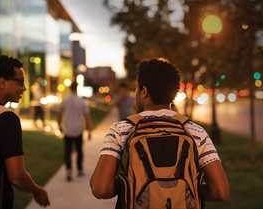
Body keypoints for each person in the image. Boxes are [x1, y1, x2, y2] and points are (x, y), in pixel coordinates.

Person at [90, 58, 230, 203]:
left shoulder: (121, 130)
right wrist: (187, 192)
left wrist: (131, 188)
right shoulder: (195, 131)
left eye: (137, 89)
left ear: (144, 92)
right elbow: (221, 192)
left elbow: (101, 188)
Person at [0, 55, 50, 208]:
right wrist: (37, 190)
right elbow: (17, 176)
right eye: (20, 81)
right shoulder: (6, 118)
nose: (24, 88)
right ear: (2, 83)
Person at [57, 82, 92, 181]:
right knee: (79, 150)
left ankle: (69, 170)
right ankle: (79, 169)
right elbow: (87, 117)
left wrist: (59, 125)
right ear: (77, 88)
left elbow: (59, 114)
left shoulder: (65, 101)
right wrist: (89, 131)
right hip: (78, 129)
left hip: (68, 130)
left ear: (69, 88)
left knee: (67, 151)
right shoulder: (82, 102)